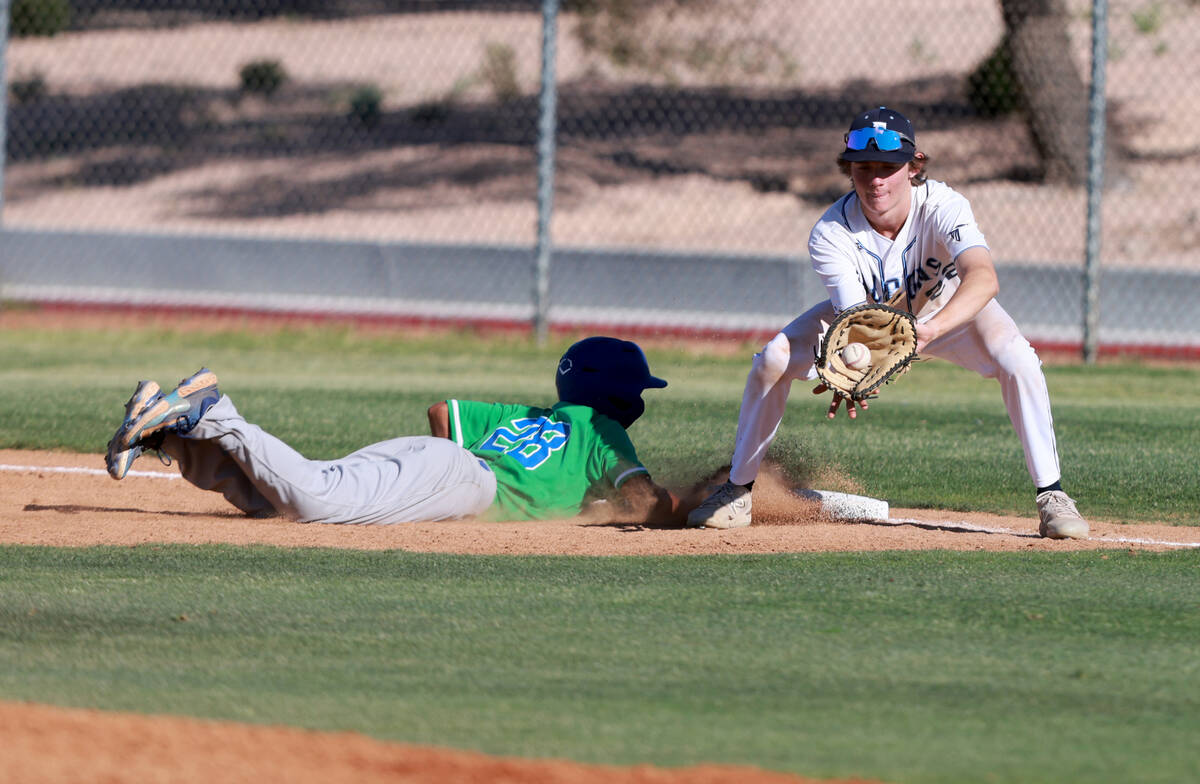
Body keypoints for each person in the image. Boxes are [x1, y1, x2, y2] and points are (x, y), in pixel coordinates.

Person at [686, 106, 1089, 540]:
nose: (876, 179)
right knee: (774, 358)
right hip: (875, 326)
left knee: (1017, 359)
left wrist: (929, 332)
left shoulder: (943, 205)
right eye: (864, 167)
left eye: (889, 167)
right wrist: (854, 367)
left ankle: (1052, 497)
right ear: (850, 168)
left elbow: (983, 278)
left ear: (914, 167)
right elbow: (857, 323)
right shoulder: (831, 234)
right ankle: (737, 491)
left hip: (946, 312)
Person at [104, 336, 685, 525]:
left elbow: (441, 413)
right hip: (467, 481)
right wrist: (684, 506)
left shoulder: (534, 415)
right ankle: (213, 409)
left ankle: (171, 433)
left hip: (442, 459)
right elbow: (642, 498)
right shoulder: (604, 431)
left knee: (278, 502)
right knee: (316, 501)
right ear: (615, 394)